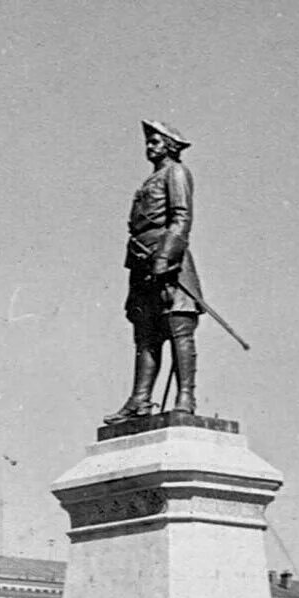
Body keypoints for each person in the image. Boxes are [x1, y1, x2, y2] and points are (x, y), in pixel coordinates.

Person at [104, 119, 203, 424]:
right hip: (140, 261)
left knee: (177, 327)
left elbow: (181, 217)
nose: (150, 146)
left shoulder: (176, 172)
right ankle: (140, 399)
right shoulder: (151, 180)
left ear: (170, 146)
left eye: (156, 142)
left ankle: (185, 396)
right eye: (148, 142)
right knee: (145, 332)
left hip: (167, 261)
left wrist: (165, 257)